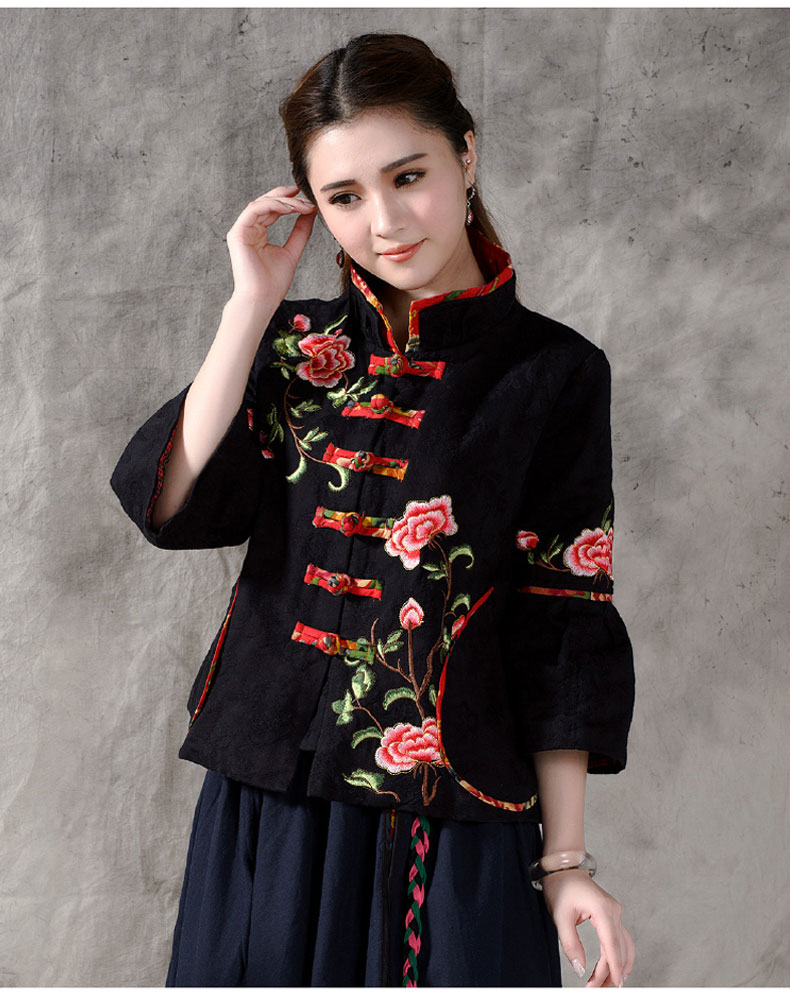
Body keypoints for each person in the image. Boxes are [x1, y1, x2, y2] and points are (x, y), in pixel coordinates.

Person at [110, 31, 636, 988]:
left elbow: (564, 617)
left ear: (465, 155)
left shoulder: (554, 373)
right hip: (268, 803)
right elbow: (172, 505)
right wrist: (250, 306)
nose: (385, 222)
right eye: (344, 197)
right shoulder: (296, 348)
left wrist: (565, 861)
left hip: (451, 813)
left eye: (409, 176)